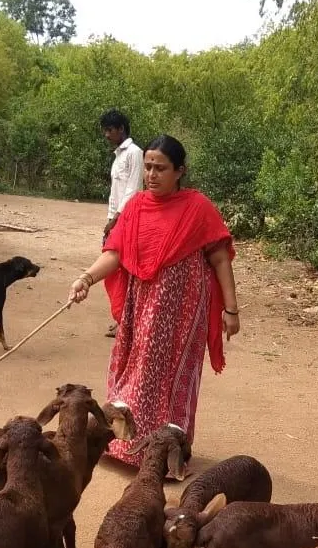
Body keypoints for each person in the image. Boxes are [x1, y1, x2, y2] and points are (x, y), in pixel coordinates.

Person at [68, 134, 240, 468]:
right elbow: (115, 254)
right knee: (134, 366)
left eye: (160, 168)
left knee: (171, 376)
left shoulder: (198, 208)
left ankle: (165, 451)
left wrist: (230, 310)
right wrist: (86, 279)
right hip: (141, 304)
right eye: (147, 167)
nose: (152, 175)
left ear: (180, 171)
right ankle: (122, 444)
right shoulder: (134, 208)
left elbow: (220, 259)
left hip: (183, 311)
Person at [99, 109, 144, 338]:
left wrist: (117, 219)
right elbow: (115, 193)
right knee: (115, 271)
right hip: (116, 219)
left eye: (110, 130)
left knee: (125, 270)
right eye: (105, 130)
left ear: (121, 129)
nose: (106, 135)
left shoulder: (134, 153)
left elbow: (133, 190)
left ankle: (128, 322)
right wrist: (110, 218)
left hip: (128, 220)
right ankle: (121, 318)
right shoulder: (118, 156)